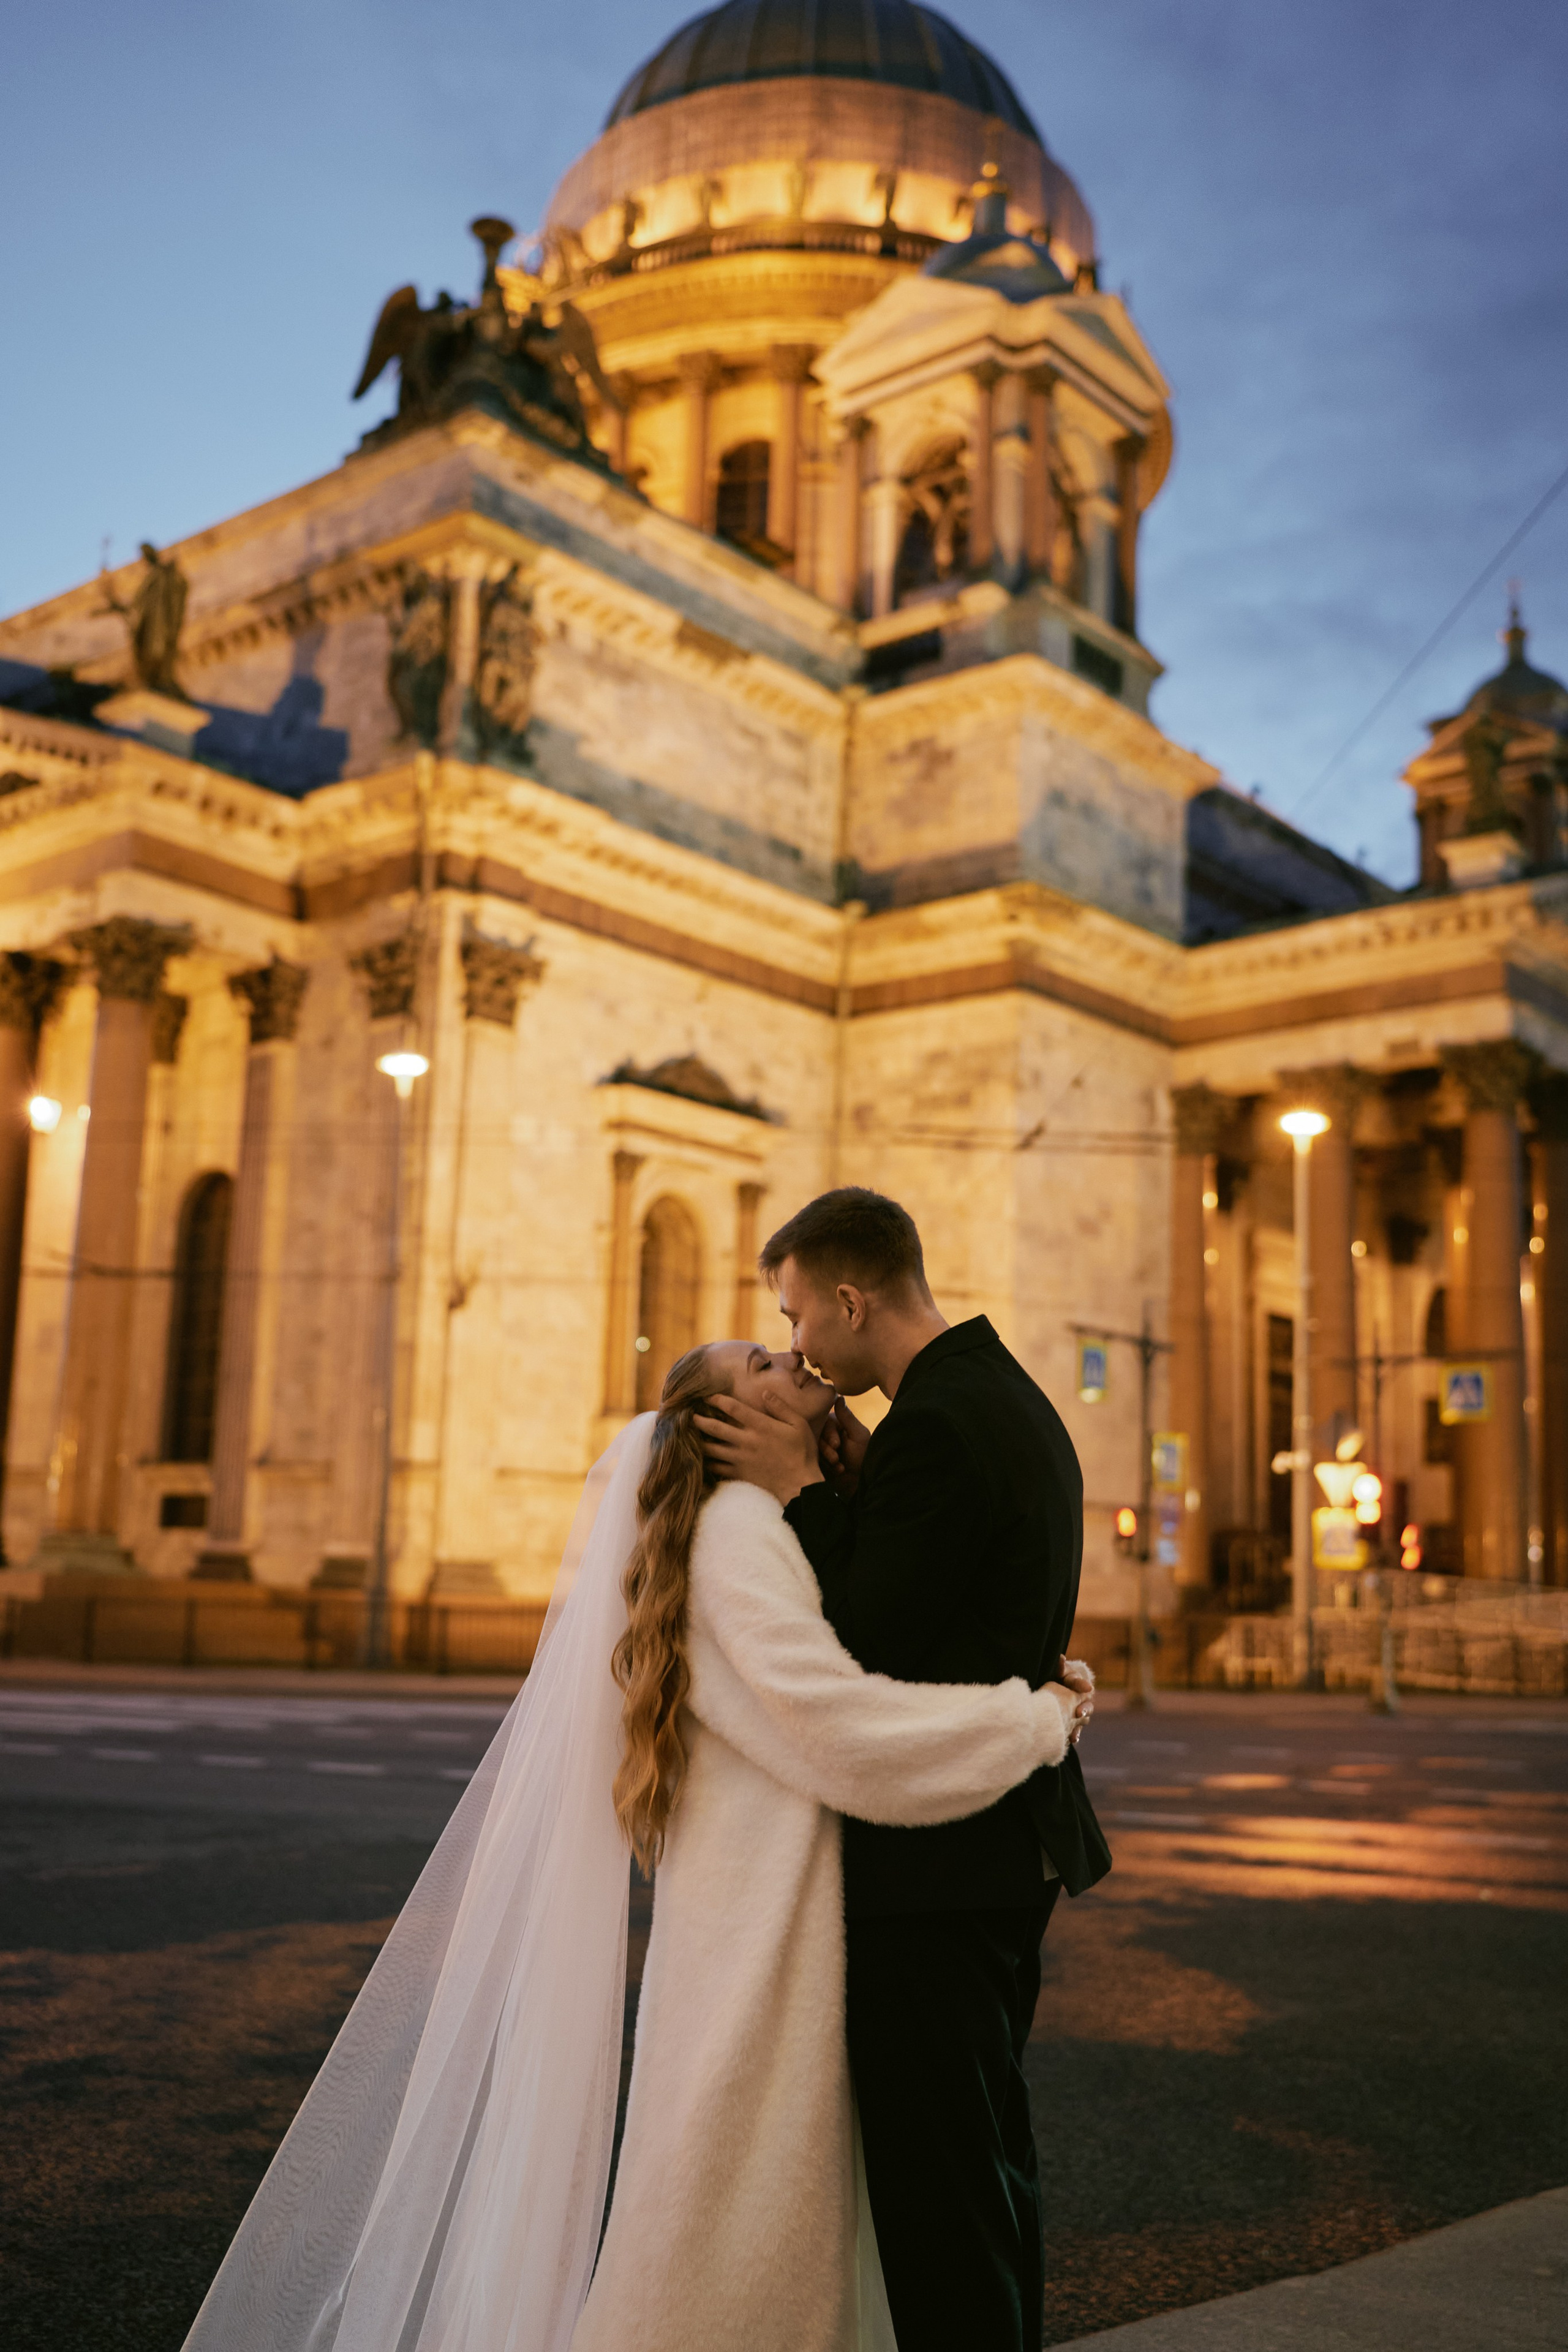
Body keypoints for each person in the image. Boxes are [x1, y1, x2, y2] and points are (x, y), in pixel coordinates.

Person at [179, 1339, 1091, 2352]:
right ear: (731, 1425)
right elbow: (837, 1728)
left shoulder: (742, 1522)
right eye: (764, 1364)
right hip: (763, 1946)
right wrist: (1036, 1722)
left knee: (725, 2210)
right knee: (730, 2230)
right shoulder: (743, 1531)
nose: (796, 1359)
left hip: (745, 1926)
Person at [698, 1188, 1110, 2352]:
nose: (796, 1349)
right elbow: (955, 1601)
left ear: (847, 1297)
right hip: (1003, 1845)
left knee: (941, 2196)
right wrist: (866, 1482)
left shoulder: (937, 1422)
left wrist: (805, 1493)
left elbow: (868, 1643)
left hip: (938, 1860)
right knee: (989, 2156)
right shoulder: (995, 1394)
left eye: (795, 1317)